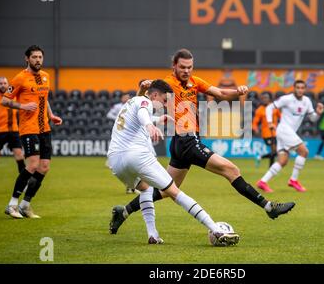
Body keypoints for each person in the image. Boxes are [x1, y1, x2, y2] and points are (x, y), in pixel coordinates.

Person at [109, 49, 295, 235]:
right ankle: (269, 207)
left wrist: (237, 92)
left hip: (182, 143)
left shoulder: (195, 82)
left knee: (166, 190)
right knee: (231, 170)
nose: (186, 71)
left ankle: (123, 212)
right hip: (185, 140)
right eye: (182, 67)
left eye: (189, 67)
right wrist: (143, 88)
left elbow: (220, 92)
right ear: (174, 66)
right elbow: (145, 97)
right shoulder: (167, 83)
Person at [108, 79, 239, 245]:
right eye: (163, 100)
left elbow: (137, 114)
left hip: (116, 162)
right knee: (174, 192)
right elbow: (142, 111)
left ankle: (153, 234)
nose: (164, 104)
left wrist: (157, 119)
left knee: (145, 189)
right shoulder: (144, 101)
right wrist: (150, 125)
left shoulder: (131, 102)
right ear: (154, 94)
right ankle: (216, 229)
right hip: (136, 155)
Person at [1, 45, 63, 219]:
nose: (38, 60)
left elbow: (44, 98)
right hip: (29, 128)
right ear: (27, 59)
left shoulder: (46, 77)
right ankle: (11, 204)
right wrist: (23, 106)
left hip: (45, 127)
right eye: (34, 57)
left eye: (40, 57)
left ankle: (25, 205)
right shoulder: (20, 78)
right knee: (33, 164)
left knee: (44, 167)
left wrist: (51, 115)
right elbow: (5, 101)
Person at [256, 80, 324, 193]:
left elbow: (313, 119)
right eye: (298, 87)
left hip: (288, 133)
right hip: (284, 130)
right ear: (294, 88)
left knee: (283, 161)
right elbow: (269, 108)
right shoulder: (286, 99)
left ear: (305, 89)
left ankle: (262, 182)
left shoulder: (307, 101)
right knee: (304, 152)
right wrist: (269, 123)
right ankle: (293, 180)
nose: (300, 90)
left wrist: (318, 113)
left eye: (302, 88)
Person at [106, 91, 137, 194]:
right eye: (125, 97)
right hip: (118, 130)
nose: (126, 98)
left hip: (128, 133)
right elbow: (109, 114)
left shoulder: (131, 106)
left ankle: (131, 186)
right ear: (122, 98)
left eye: (128, 97)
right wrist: (117, 118)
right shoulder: (117, 106)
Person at [252, 92, 281, 176]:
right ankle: (272, 170)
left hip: (275, 133)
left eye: (266, 98)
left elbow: (281, 116)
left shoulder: (274, 108)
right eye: (263, 98)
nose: (264, 99)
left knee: (274, 152)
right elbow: (255, 122)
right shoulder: (259, 110)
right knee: (274, 152)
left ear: (269, 99)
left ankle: (261, 157)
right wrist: (255, 128)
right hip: (266, 134)